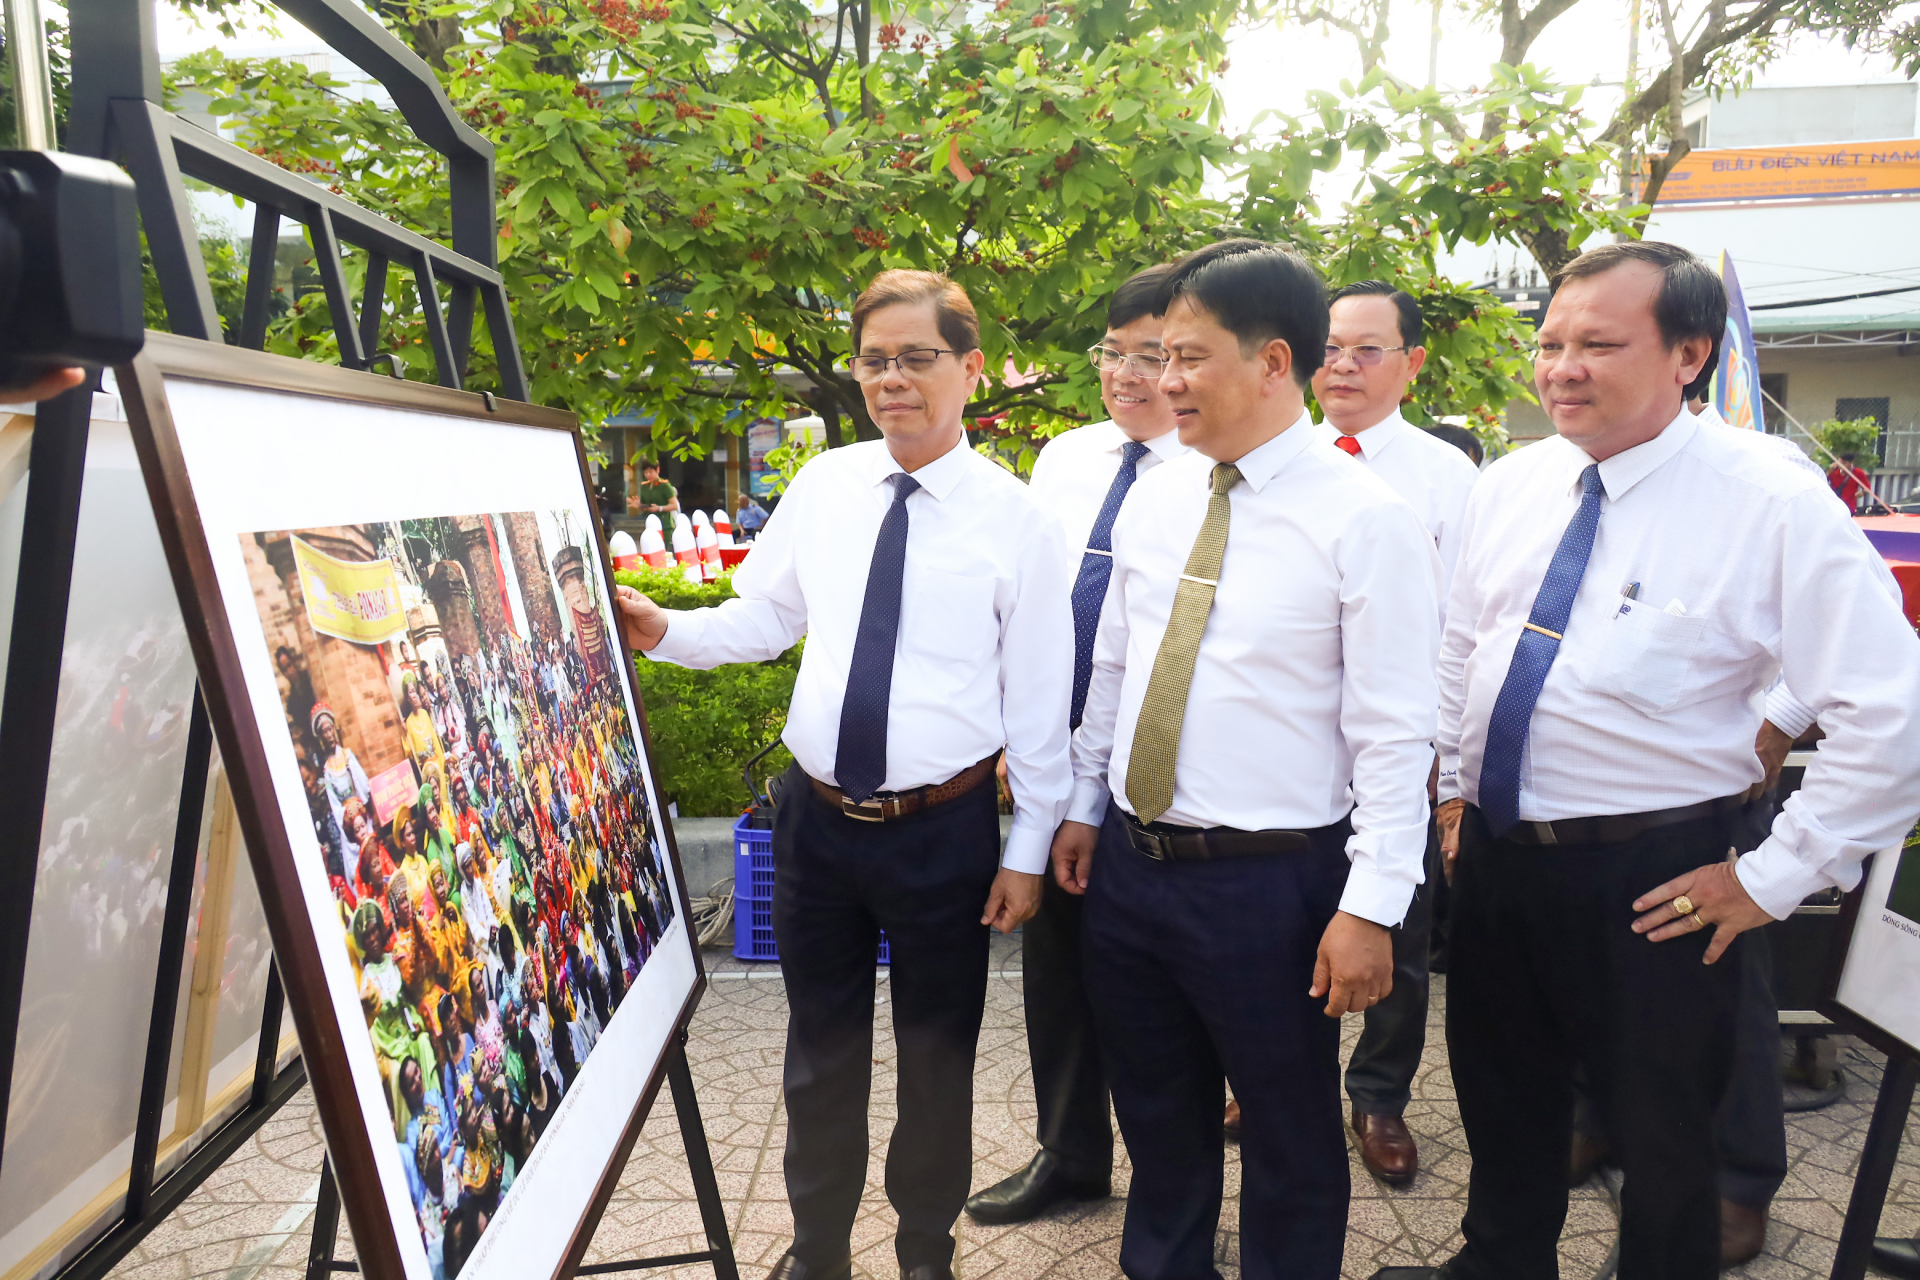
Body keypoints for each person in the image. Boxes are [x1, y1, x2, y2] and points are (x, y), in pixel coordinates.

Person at [1376, 241, 1920, 1280]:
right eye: (1550, 342)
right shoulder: (1518, 481)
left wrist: (1769, 879)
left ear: (1688, 353)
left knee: (1667, 1135)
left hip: (1657, 876)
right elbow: (1461, 646)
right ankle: (1500, 1262)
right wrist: (1452, 796)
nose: (1562, 367)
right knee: (1504, 1096)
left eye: (1598, 343)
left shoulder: (1766, 496)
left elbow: (1891, 707)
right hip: (1496, 856)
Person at [616, 268, 1074, 1280]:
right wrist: (665, 632)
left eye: (917, 357)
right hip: (815, 823)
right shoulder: (826, 484)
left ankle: (924, 1253)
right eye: (875, 359)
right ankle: (816, 1250)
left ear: (970, 367)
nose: (892, 379)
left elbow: (1042, 703)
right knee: (819, 1058)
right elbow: (766, 617)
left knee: (934, 1064)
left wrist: (1029, 848)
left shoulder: (1017, 519)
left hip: (941, 835)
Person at [1055, 240, 1441, 1280]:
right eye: (1154, 355)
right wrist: (1086, 803)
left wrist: (1372, 906)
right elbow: (1118, 663)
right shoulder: (1160, 492)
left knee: (1287, 1128)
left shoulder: (1366, 519)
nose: (1160, 380)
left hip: (1275, 882)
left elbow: (1398, 732)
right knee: (1158, 1109)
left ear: (1275, 362)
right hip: (1135, 868)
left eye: (1188, 356)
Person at [965, 263, 1188, 1227]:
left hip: (1154, 774)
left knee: (1150, 984)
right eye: (1113, 352)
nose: (1128, 374)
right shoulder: (1064, 458)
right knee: (1055, 968)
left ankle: (1173, 1181)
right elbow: (1025, 612)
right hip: (1052, 756)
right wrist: (1020, 732)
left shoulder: (1210, 472)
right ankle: (1070, 1152)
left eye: (1153, 354)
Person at [1309, 279, 1481, 1187]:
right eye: (1330, 345)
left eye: (1366, 348)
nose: (1341, 363)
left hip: (1401, 746)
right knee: (1287, 920)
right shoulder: (1275, 457)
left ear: (1411, 364)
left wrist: (1443, 767)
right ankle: (1271, 1080)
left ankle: (1379, 1096)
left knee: (1396, 933)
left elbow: (1462, 631)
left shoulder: (1447, 478)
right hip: (1292, 753)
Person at [635, 461, 681, 542]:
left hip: (665, 525)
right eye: (646, 472)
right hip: (651, 524)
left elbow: (674, 505)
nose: (648, 475)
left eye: (650, 472)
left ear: (657, 470)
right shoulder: (644, 486)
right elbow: (646, 506)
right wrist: (639, 505)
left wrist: (660, 508)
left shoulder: (665, 485)